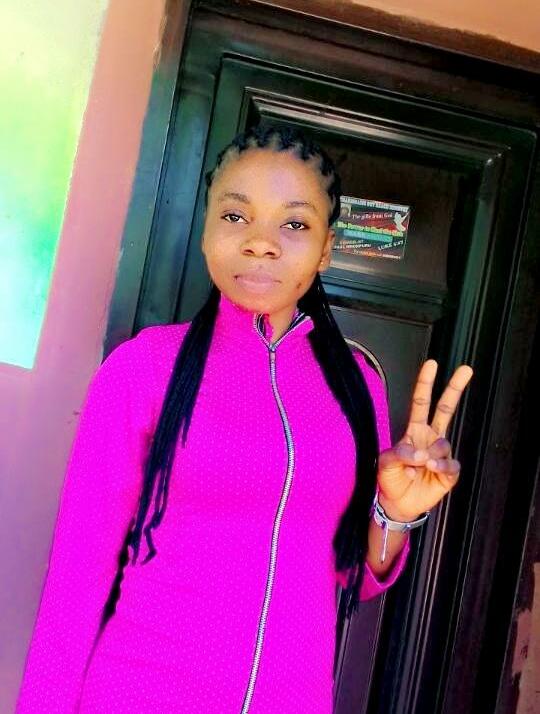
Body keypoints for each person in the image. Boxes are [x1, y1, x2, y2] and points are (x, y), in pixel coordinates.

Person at [16, 125, 473, 713]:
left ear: (326, 248)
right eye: (235, 217)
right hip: (137, 694)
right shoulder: (145, 369)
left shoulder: (357, 387)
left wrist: (395, 513)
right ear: (206, 231)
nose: (261, 243)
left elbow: (356, 576)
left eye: (294, 224)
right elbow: (77, 577)